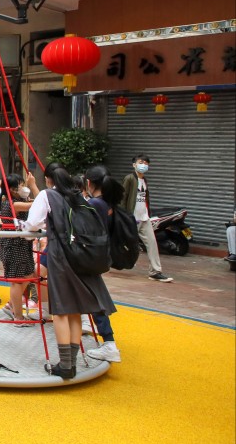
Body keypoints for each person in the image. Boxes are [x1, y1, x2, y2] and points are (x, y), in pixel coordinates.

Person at [21, 165, 117, 379]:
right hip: (81, 257)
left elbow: (32, 224)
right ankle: (71, 362)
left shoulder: (47, 195)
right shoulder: (78, 196)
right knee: (75, 311)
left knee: (62, 311)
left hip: (61, 257)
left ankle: (65, 365)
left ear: (48, 180)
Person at [83, 165, 125, 363]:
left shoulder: (94, 204)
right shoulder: (107, 202)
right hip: (99, 254)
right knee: (89, 291)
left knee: (94, 294)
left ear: (89, 183)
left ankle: (109, 342)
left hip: (90, 255)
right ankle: (84, 320)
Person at [122, 154, 173, 283]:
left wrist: (148, 214)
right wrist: (123, 216)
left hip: (144, 218)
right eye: (141, 162)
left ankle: (155, 272)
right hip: (132, 218)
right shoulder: (129, 179)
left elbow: (145, 199)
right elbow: (123, 198)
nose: (143, 165)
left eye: (146, 163)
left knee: (152, 244)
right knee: (121, 241)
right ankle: (105, 260)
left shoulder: (144, 180)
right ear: (134, 164)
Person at [0, 172, 39, 322]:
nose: (24, 187)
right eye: (21, 185)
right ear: (13, 189)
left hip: (20, 244)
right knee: (17, 281)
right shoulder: (13, 203)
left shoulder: (15, 201)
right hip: (14, 245)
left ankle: (11, 305)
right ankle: (18, 317)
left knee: (29, 275)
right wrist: (33, 185)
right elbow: (41, 202)